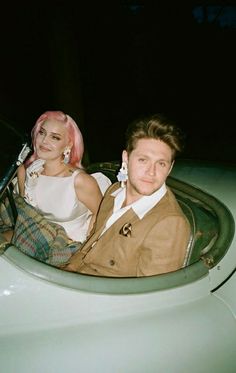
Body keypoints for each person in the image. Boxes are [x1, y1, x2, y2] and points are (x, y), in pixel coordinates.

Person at [64, 113, 191, 277]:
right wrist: (69, 269)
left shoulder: (170, 223)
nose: (151, 172)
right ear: (126, 158)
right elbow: (92, 245)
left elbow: (150, 295)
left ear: (170, 167)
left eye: (161, 163)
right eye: (143, 160)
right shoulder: (114, 192)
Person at [2, 110, 111, 265]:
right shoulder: (33, 169)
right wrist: (20, 171)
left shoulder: (79, 181)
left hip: (68, 247)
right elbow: (25, 210)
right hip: (35, 236)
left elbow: (103, 217)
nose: (44, 141)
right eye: (42, 133)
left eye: (55, 137)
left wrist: (85, 250)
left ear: (68, 144)